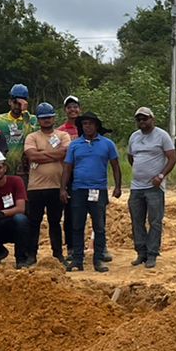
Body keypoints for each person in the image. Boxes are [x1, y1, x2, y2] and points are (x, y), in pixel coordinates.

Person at [62, 112, 121, 272]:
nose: (87, 126)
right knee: (77, 225)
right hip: (78, 189)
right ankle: (77, 260)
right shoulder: (74, 145)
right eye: (84, 123)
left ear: (96, 126)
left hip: (98, 189)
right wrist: (63, 188)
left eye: (90, 123)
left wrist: (118, 186)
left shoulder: (107, 144)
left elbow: (115, 165)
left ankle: (98, 260)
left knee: (99, 226)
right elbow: (67, 167)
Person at [126, 106, 176, 269]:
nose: (142, 122)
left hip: (154, 187)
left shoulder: (162, 136)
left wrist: (160, 176)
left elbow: (172, 158)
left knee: (155, 221)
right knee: (137, 220)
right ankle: (141, 252)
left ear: (152, 119)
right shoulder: (134, 137)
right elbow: (130, 157)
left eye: (145, 119)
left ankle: (152, 254)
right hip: (136, 187)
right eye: (139, 119)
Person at [23, 103, 70, 265]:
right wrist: (54, 156)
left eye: (49, 117)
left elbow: (65, 153)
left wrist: (41, 153)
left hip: (57, 186)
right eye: (43, 118)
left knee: (55, 222)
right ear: (39, 120)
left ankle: (58, 255)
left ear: (54, 118)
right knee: (34, 222)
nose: (46, 121)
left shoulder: (63, 135)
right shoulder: (32, 137)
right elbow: (32, 156)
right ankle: (31, 255)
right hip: (35, 187)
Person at [0, 83, 39, 180]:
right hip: (3, 168)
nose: (18, 106)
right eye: (15, 103)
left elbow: (29, 137)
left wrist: (25, 114)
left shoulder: (32, 119)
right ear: (10, 102)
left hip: (23, 168)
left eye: (21, 104)